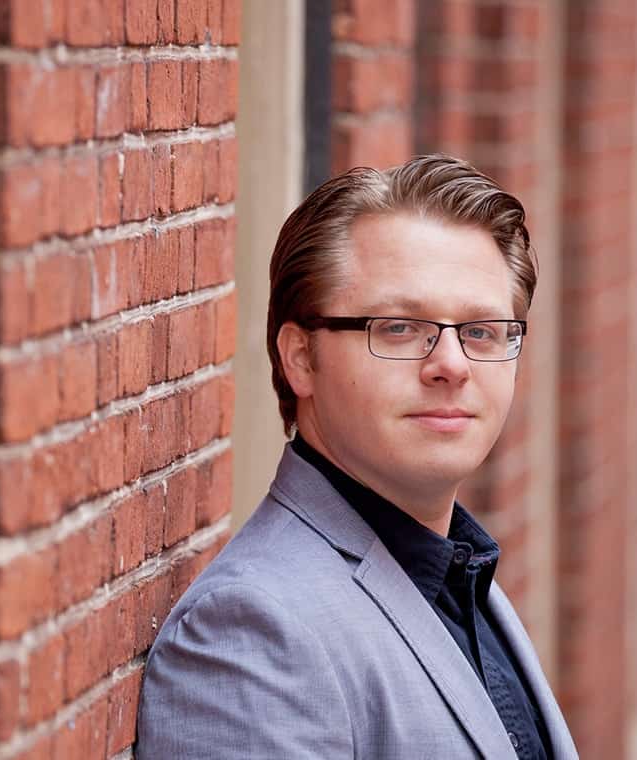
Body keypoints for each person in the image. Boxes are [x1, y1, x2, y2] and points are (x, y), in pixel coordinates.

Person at [136, 154, 578, 759]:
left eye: (481, 331)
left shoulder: (463, 581)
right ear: (300, 358)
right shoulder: (249, 635)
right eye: (398, 327)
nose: (451, 363)